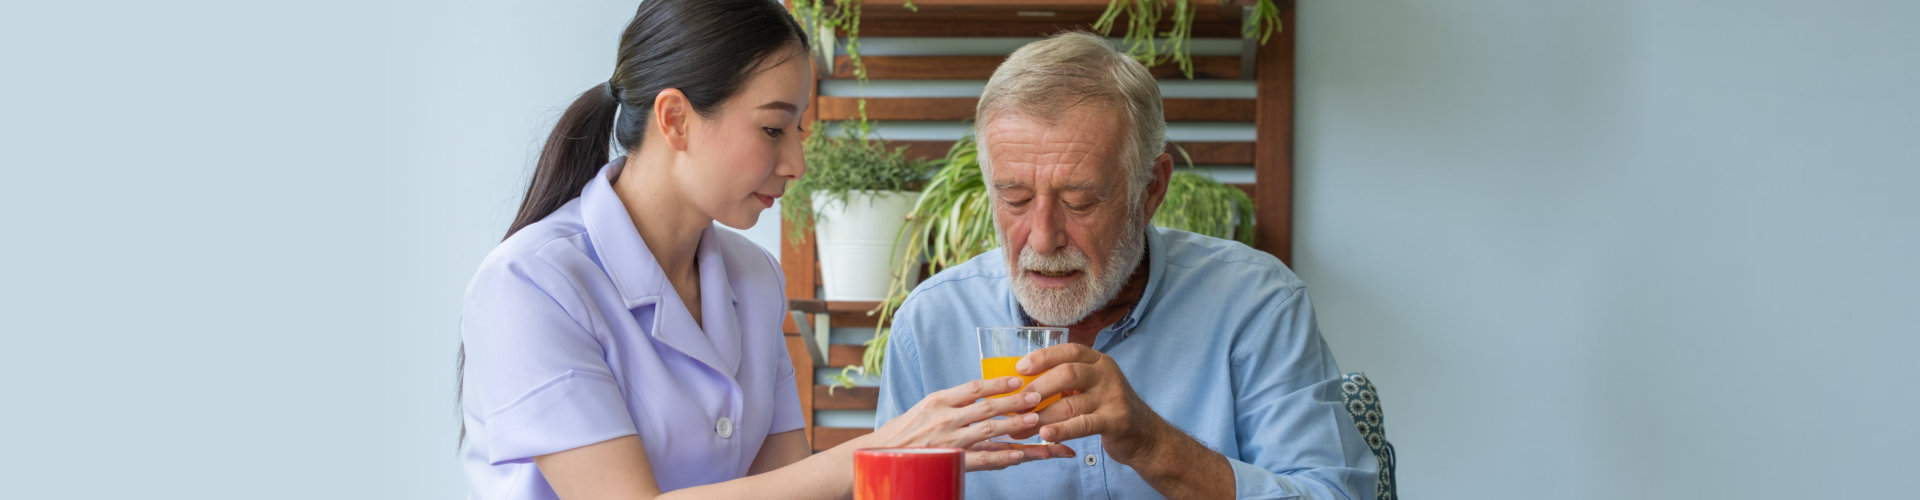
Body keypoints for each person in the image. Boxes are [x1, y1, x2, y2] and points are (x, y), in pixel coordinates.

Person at [457, 2, 1065, 498]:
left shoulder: (753, 277)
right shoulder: (532, 284)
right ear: (675, 120)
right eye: (773, 129)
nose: (796, 163)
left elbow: (787, 483)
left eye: (799, 131)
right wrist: (889, 445)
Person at [873, 32, 1380, 499]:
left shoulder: (1256, 302)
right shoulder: (931, 323)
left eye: (1080, 201)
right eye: (1016, 198)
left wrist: (1153, 443)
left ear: (1151, 188)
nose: (1043, 239)